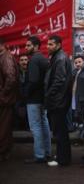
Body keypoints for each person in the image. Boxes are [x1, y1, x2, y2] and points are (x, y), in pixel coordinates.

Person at [44, 35, 73, 167]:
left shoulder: (60, 58)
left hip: (58, 101)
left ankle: (63, 159)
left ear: (58, 45)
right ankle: (62, 156)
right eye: (48, 44)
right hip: (59, 100)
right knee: (60, 131)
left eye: (51, 44)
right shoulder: (58, 57)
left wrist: (48, 95)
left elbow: (59, 81)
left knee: (60, 131)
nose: (48, 46)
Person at [23, 36, 52, 164]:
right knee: (44, 125)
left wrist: (25, 93)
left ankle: (40, 155)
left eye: (28, 45)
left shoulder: (34, 60)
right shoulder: (43, 59)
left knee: (36, 127)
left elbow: (33, 81)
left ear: (35, 46)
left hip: (34, 99)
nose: (26, 48)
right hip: (42, 98)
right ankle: (47, 152)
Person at [0, 39, 19, 162]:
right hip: (4, 99)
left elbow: (11, 79)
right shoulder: (4, 57)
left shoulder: (6, 57)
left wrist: (2, 95)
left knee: (3, 128)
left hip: (4, 100)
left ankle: (3, 152)